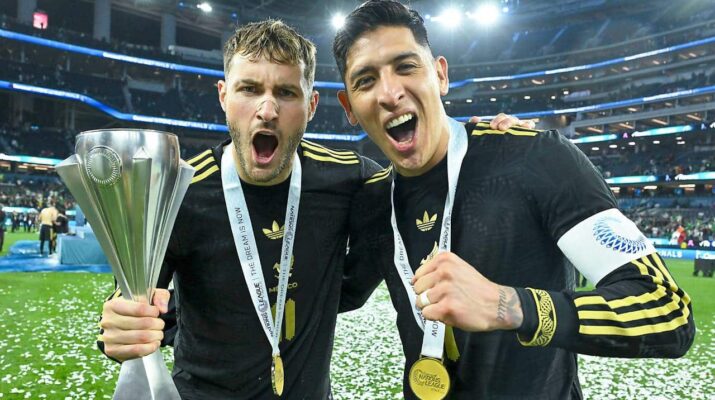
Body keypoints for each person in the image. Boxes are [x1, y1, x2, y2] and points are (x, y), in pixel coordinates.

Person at [96, 19, 529, 399]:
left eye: (286, 92)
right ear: (224, 96)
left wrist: (486, 144)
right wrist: (120, 326)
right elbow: (131, 298)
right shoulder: (177, 192)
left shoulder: (349, 179)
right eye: (249, 89)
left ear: (312, 106)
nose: (267, 111)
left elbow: (426, 174)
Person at [333, 1, 695, 399]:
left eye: (406, 66)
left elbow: (667, 311)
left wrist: (510, 305)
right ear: (349, 108)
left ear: (440, 75)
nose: (390, 93)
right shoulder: (374, 201)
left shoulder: (536, 158)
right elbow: (324, 294)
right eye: (365, 80)